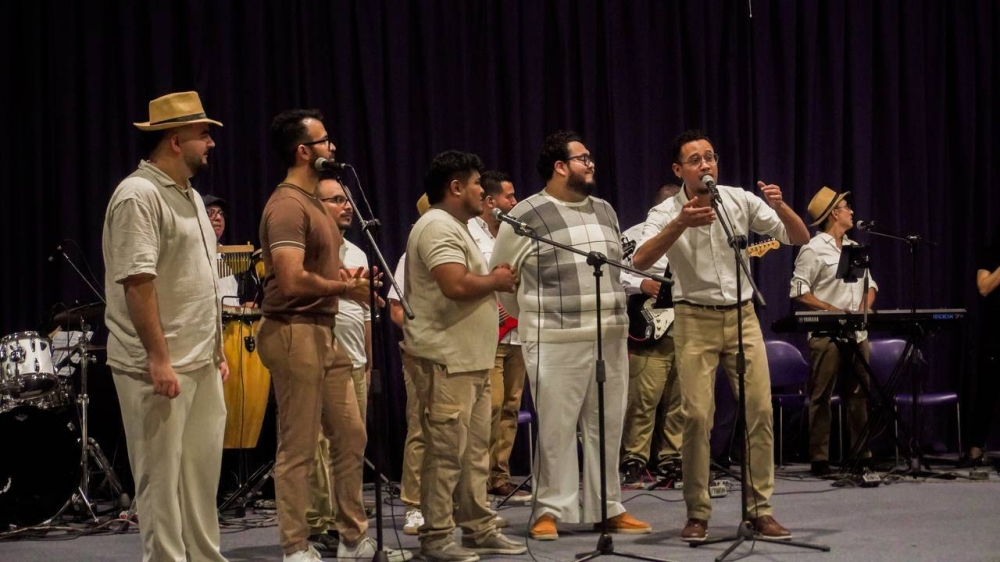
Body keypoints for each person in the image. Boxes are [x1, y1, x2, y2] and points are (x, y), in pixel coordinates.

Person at [632, 129, 810, 542]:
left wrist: (781, 208)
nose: (705, 165)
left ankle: (759, 510)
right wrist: (680, 222)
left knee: (760, 412)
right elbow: (640, 259)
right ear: (679, 170)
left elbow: (798, 237)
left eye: (710, 157)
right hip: (693, 319)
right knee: (696, 417)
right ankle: (697, 512)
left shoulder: (738, 199)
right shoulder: (666, 211)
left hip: (742, 315)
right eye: (695, 160)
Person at [256, 108, 408, 562]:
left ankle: (353, 538)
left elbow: (313, 270)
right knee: (299, 445)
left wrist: (351, 285)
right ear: (304, 151)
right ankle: (295, 545)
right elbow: (288, 280)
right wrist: (347, 288)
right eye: (324, 141)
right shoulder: (286, 205)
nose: (333, 147)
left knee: (351, 435)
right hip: (292, 331)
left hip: (323, 332)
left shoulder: (312, 205)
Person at [490, 130, 651, 541]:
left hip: (610, 337)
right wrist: (534, 324)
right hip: (555, 340)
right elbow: (502, 279)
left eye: (590, 156)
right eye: (582, 158)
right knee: (558, 429)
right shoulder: (526, 214)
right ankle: (549, 509)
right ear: (560, 167)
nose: (591, 163)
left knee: (607, 425)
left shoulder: (605, 210)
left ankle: (606, 506)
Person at [101, 90, 229, 562]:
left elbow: (197, 283)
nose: (211, 142)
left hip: (199, 361)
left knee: (199, 478)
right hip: (157, 366)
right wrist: (158, 358)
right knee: (160, 482)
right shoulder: (139, 195)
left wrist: (216, 352)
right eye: (203, 134)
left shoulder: (190, 195)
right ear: (175, 140)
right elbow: (138, 283)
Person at [401, 151, 525, 562]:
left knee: (474, 453)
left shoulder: (457, 226)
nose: (483, 194)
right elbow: (454, 285)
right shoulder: (436, 226)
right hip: (445, 361)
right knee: (445, 455)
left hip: (469, 360)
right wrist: (498, 280)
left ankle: (477, 528)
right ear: (455, 187)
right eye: (476, 185)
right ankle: (436, 539)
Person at [304, 174, 375, 554]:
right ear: (316, 206)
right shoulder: (305, 249)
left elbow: (364, 314)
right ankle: (318, 524)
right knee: (317, 446)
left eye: (346, 200)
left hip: (354, 359)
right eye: (335, 200)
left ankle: (347, 522)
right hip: (317, 359)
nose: (346, 206)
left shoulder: (358, 253)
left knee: (350, 445)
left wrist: (367, 360)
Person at [790, 187, 877, 477]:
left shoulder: (854, 247)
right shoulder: (812, 250)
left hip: (857, 333)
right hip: (826, 334)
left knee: (859, 395)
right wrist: (831, 310)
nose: (852, 211)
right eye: (846, 206)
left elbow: (870, 284)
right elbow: (799, 291)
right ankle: (820, 458)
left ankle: (862, 455)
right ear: (834, 215)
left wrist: (865, 307)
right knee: (821, 396)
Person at [466, 170, 531, 503]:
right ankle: (475, 477)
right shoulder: (468, 234)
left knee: (510, 407)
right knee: (488, 407)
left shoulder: (516, 233)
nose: (515, 202)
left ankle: (499, 475)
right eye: (509, 197)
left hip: (518, 333)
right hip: (488, 334)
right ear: (490, 202)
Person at [619, 181, 684, 488]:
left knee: (680, 401)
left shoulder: (693, 233)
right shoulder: (633, 235)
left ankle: (672, 459)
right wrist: (640, 284)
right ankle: (635, 461)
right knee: (644, 399)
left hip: (687, 326)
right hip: (650, 325)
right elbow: (612, 272)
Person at [387, 194, 430, 536]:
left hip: (458, 353)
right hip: (421, 352)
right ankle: (414, 505)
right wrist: (425, 334)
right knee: (421, 427)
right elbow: (395, 308)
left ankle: (453, 501)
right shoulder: (410, 257)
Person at [959, 231, 1000, 468]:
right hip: (995, 333)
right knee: (987, 391)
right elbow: (983, 287)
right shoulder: (992, 253)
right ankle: (975, 450)